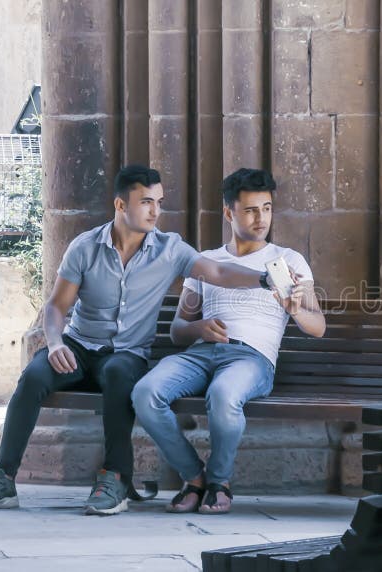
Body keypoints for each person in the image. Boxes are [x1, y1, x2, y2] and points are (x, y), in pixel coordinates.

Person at [0, 165, 279, 516]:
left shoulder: (170, 249)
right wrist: (55, 343)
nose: (156, 211)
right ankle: (2, 479)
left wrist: (264, 279)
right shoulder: (85, 247)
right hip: (78, 347)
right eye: (146, 202)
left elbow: (218, 271)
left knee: (118, 375)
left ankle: (114, 479)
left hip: (127, 354)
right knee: (33, 377)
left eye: (159, 202)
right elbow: (56, 306)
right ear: (120, 205)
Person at [132, 168, 326, 514]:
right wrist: (200, 328)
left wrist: (295, 309)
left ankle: (220, 482)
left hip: (250, 360)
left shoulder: (287, 261)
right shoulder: (208, 262)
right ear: (228, 212)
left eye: (266, 208)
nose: (261, 218)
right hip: (201, 354)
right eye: (251, 210)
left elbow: (318, 326)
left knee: (223, 395)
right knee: (145, 392)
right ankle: (194, 477)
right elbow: (179, 329)